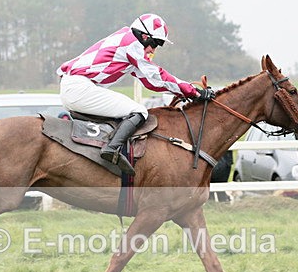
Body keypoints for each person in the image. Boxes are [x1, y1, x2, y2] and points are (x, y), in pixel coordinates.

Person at [57, 13, 213, 175]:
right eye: (155, 43)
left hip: (75, 86)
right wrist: (193, 92)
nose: (154, 49)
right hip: (79, 88)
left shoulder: (127, 43)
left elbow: (151, 82)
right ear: (144, 36)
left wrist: (181, 91)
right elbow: (156, 75)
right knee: (139, 111)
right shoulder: (131, 44)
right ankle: (111, 149)